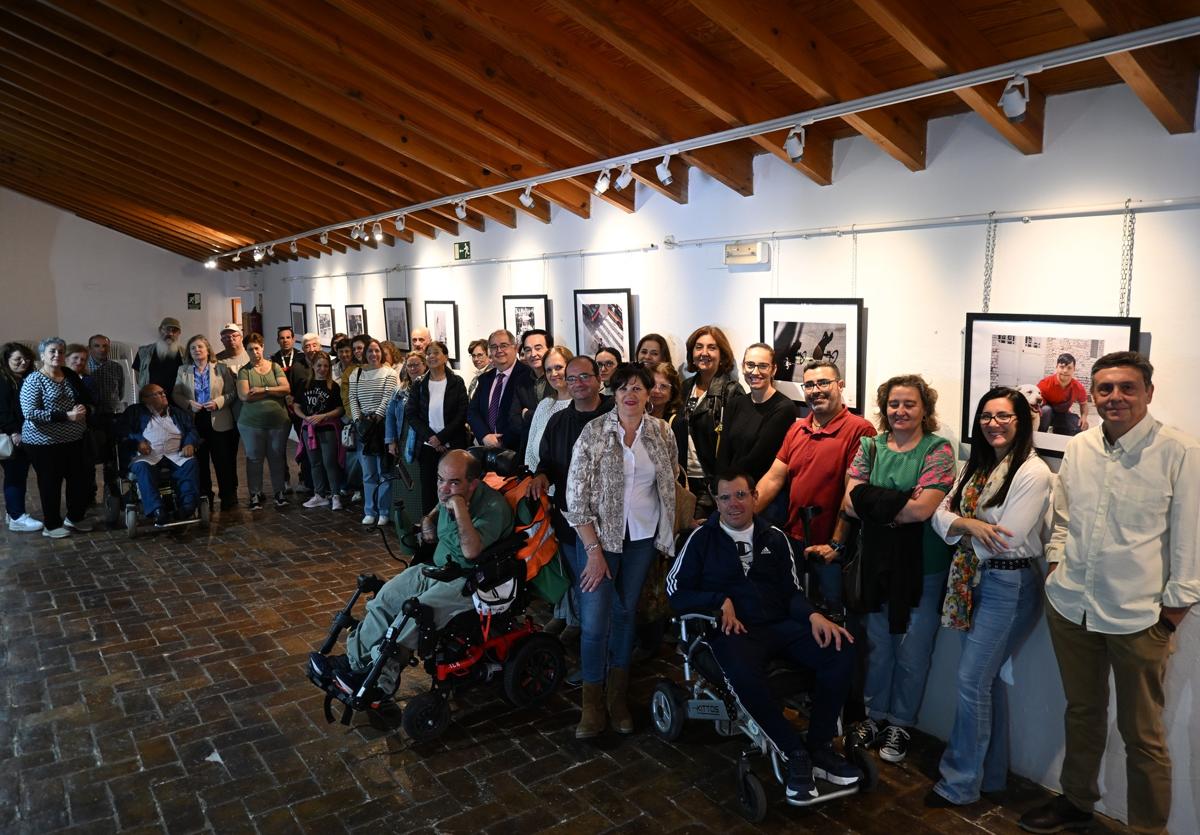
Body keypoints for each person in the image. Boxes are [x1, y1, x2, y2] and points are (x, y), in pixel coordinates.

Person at [1019, 352, 1198, 835]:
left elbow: (1190, 540)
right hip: (1071, 604)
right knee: (1082, 712)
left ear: (1148, 393)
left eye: (1127, 387)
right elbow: (1063, 516)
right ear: (1093, 395)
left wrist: (1171, 615)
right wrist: (1056, 567)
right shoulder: (1080, 447)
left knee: (1143, 734)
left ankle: (1147, 829)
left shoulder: (1180, 452)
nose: (1115, 397)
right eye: (1105, 388)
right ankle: (1077, 802)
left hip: (1140, 617)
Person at [666, 471, 862, 804]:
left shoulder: (775, 537)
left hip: (779, 624)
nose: (734, 504)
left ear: (755, 496)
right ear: (717, 502)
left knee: (841, 648)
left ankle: (820, 747)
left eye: (741, 495)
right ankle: (794, 753)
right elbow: (675, 591)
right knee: (744, 674)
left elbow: (792, 593)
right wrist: (717, 601)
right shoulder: (701, 540)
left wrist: (814, 616)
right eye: (725, 497)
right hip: (733, 630)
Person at [925, 387, 1051, 808]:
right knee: (985, 681)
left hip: (1008, 586)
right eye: (986, 416)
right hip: (973, 581)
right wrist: (971, 524)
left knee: (971, 681)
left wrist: (961, 525)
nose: (993, 424)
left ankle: (959, 783)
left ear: (1021, 421)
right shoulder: (975, 466)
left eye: (1003, 416)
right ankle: (991, 776)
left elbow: (1006, 538)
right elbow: (938, 514)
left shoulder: (1032, 472)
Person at [310, 450, 513, 700]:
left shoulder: (494, 508)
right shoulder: (451, 492)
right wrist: (429, 518)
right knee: (386, 598)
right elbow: (441, 503)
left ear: (473, 484)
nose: (444, 488)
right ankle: (355, 663)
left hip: (469, 580)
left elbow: (471, 552)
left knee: (412, 616)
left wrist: (459, 508)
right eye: (440, 479)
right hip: (438, 567)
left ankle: (379, 682)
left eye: (453, 482)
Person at [842, 374, 956, 764]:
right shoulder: (870, 446)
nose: (900, 411)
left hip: (924, 566)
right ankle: (874, 717)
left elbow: (922, 511)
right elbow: (849, 503)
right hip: (876, 565)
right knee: (877, 647)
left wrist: (874, 503)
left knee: (913, 651)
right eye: (894, 404)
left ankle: (900, 723)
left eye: (910, 404)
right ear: (884, 407)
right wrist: (899, 502)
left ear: (925, 409)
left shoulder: (937, 450)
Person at [564, 363, 677, 738]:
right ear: (613, 393)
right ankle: (591, 704)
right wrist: (593, 551)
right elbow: (575, 497)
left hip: (642, 538)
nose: (631, 394)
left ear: (649, 394)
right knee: (595, 622)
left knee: (627, 614)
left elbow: (669, 483)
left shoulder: (662, 432)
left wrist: (669, 531)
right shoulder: (594, 432)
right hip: (598, 539)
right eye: (624, 387)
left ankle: (617, 698)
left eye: (638, 388)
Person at [755, 360, 876, 616]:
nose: (815, 390)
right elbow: (773, 478)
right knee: (797, 612)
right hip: (793, 540)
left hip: (833, 550)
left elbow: (852, 493)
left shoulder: (860, 430)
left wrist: (836, 544)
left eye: (823, 383)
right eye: (809, 385)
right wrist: (740, 516)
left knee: (835, 616)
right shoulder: (797, 428)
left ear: (840, 385)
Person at [528, 356, 613, 639]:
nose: (578, 383)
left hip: (609, 520)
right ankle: (587, 636)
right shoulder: (558, 421)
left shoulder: (615, 414)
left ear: (599, 379)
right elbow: (548, 462)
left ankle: (604, 643)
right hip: (570, 518)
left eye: (585, 376)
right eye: (572, 378)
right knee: (582, 583)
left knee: (606, 590)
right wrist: (541, 476)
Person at [18, 337, 93, 538]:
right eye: (52, 351)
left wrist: (84, 407)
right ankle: (51, 525)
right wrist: (66, 416)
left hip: (74, 438)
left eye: (60, 351)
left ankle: (74, 517)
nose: (57, 355)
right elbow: (30, 413)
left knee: (79, 481)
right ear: (42, 355)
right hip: (44, 442)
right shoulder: (34, 379)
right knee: (50, 483)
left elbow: (86, 398)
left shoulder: (69, 374)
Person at [674, 325, 744, 518]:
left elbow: (737, 445)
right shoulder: (685, 387)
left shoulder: (731, 391)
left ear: (722, 354)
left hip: (711, 485)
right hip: (683, 481)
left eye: (712, 347)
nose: (704, 353)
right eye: (699, 347)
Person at [173, 335, 239, 511]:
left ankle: (228, 495)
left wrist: (218, 402)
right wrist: (189, 404)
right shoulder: (183, 370)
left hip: (219, 417)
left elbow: (232, 393)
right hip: (195, 420)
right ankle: (205, 497)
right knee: (200, 462)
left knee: (223, 460)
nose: (197, 350)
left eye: (200, 347)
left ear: (208, 350)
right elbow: (176, 394)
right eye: (193, 348)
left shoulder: (221, 368)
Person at [716, 343, 797, 484]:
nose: (755, 372)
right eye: (750, 365)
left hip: (760, 488)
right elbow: (723, 451)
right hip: (729, 486)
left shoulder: (784, 408)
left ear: (773, 370)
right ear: (743, 367)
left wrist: (730, 483)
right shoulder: (735, 403)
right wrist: (721, 483)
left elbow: (759, 458)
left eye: (763, 366)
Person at [123, 384, 201, 526]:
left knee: (190, 463)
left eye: (163, 392)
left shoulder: (177, 412)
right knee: (142, 467)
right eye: (158, 394)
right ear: (145, 399)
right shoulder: (134, 412)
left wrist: (189, 443)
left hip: (175, 454)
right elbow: (124, 431)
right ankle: (157, 510)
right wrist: (138, 442)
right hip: (148, 456)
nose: (163, 395)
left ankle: (187, 506)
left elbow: (191, 430)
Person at [406, 341, 468, 514]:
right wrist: (432, 438)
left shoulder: (456, 382)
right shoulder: (419, 384)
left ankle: (453, 526)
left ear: (445, 357)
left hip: (452, 445)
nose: (431, 356)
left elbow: (462, 413)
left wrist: (441, 437)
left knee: (454, 491)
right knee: (429, 491)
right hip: (427, 447)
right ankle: (429, 527)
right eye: (428, 354)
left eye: (436, 352)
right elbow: (411, 414)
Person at [236, 333, 292, 511]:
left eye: (257, 348)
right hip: (251, 423)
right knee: (254, 458)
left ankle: (279, 492)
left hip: (278, 422)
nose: (255, 352)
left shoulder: (275, 367)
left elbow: (286, 389)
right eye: (250, 349)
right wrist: (274, 391)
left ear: (263, 347)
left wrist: (263, 390)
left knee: (277, 457)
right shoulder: (244, 371)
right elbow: (244, 396)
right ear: (246, 351)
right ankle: (255, 494)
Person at [348, 338, 398, 526]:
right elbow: (353, 398)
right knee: (368, 473)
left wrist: (375, 418)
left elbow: (388, 398)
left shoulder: (390, 373)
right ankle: (370, 510)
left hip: (382, 427)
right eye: (370, 351)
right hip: (364, 430)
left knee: (384, 471)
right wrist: (358, 421)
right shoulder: (356, 374)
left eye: (377, 351)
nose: (374, 354)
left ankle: (384, 511)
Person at [291, 351, 345, 511]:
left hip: (327, 429)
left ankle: (335, 495)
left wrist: (324, 416)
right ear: (313, 366)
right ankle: (319, 494)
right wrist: (305, 417)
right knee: (314, 463)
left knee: (329, 462)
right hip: (309, 429)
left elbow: (340, 409)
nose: (322, 369)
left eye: (326, 366)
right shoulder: (305, 385)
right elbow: (296, 406)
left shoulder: (333, 386)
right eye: (319, 365)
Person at [467, 329, 537, 453]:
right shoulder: (485, 378)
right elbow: (472, 411)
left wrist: (502, 442)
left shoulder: (529, 376)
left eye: (504, 345)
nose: (499, 350)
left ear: (515, 347)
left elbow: (528, 416)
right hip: (486, 449)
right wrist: (484, 436)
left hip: (516, 451)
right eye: (494, 347)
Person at [1, 342, 42, 532]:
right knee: (15, 474)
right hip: (12, 435)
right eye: (18, 359)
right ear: (6, 360)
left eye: (26, 358)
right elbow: (2, 411)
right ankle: (17, 517)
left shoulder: (24, 378)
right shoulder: (3, 380)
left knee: (16, 474)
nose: (23, 362)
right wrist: (14, 431)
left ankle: (12, 513)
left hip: (23, 433)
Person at [383, 350, 427, 516]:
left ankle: (420, 516)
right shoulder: (399, 390)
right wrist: (391, 441)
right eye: (410, 365)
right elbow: (390, 416)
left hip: (422, 439)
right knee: (404, 478)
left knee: (421, 480)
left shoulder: (429, 387)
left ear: (424, 365)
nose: (413, 368)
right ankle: (404, 516)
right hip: (403, 438)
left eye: (416, 365)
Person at [86, 334, 126, 505]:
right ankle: (89, 496)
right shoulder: (84, 367)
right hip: (91, 419)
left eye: (105, 346)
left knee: (112, 458)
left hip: (112, 416)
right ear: (90, 348)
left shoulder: (116, 367)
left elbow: (120, 392)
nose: (102, 349)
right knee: (90, 458)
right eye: (97, 346)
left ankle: (113, 494)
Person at [524, 346, 573, 473]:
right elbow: (530, 450)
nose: (553, 374)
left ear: (571, 368)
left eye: (558, 367)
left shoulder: (580, 405)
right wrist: (534, 477)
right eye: (548, 370)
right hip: (539, 479)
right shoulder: (544, 404)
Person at [1036, 353, 1089, 436]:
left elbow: (1084, 404)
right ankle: (1040, 436)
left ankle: (1058, 431)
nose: (1065, 371)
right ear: (1056, 367)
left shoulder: (1078, 387)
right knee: (1046, 410)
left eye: (1069, 368)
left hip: (1062, 415)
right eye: (1062, 367)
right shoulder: (1045, 384)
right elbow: (1034, 403)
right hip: (1045, 416)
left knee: (1080, 427)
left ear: (1074, 369)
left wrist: (1084, 417)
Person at [133, 317, 186, 392]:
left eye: (174, 330)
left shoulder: (186, 355)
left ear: (179, 333)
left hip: (178, 398)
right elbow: (138, 377)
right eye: (167, 329)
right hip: (151, 397)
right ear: (160, 330)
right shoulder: (143, 353)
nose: (170, 333)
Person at [519, 329, 551, 400]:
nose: (533, 354)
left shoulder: (559, 377)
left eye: (538, 348)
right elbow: (516, 407)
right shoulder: (520, 381)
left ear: (550, 349)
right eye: (528, 350)